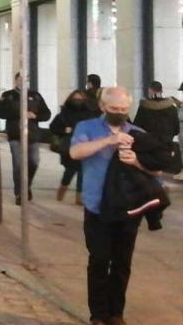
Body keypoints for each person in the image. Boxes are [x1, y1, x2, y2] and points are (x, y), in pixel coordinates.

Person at [69, 87, 168, 325]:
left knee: (122, 263)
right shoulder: (88, 128)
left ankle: (116, 313)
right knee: (100, 261)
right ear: (103, 107)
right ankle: (98, 314)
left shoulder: (138, 133)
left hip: (128, 208)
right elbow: (75, 152)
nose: (120, 113)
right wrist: (110, 141)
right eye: (114, 109)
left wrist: (137, 161)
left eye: (124, 109)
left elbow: (157, 169)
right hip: (97, 207)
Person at [0, 73, 52, 205]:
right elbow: (1, 113)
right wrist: (19, 113)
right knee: (18, 164)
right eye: (20, 80)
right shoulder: (8, 96)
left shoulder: (35, 96)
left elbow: (46, 114)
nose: (22, 82)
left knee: (34, 161)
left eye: (25, 80)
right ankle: (19, 192)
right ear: (15, 81)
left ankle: (26, 185)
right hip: (15, 134)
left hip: (32, 135)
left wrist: (35, 115)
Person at [49, 90, 101, 204]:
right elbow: (53, 127)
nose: (78, 101)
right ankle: (63, 187)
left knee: (83, 170)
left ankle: (79, 196)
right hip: (70, 146)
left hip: (85, 145)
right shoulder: (64, 113)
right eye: (75, 99)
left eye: (80, 99)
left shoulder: (89, 113)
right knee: (70, 170)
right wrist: (64, 130)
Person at [132, 81, 180, 154]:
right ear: (162, 91)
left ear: (150, 90)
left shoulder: (144, 107)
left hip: (148, 148)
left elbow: (136, 127)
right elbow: (176, 130)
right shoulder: (171, 108)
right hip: (167, 148)